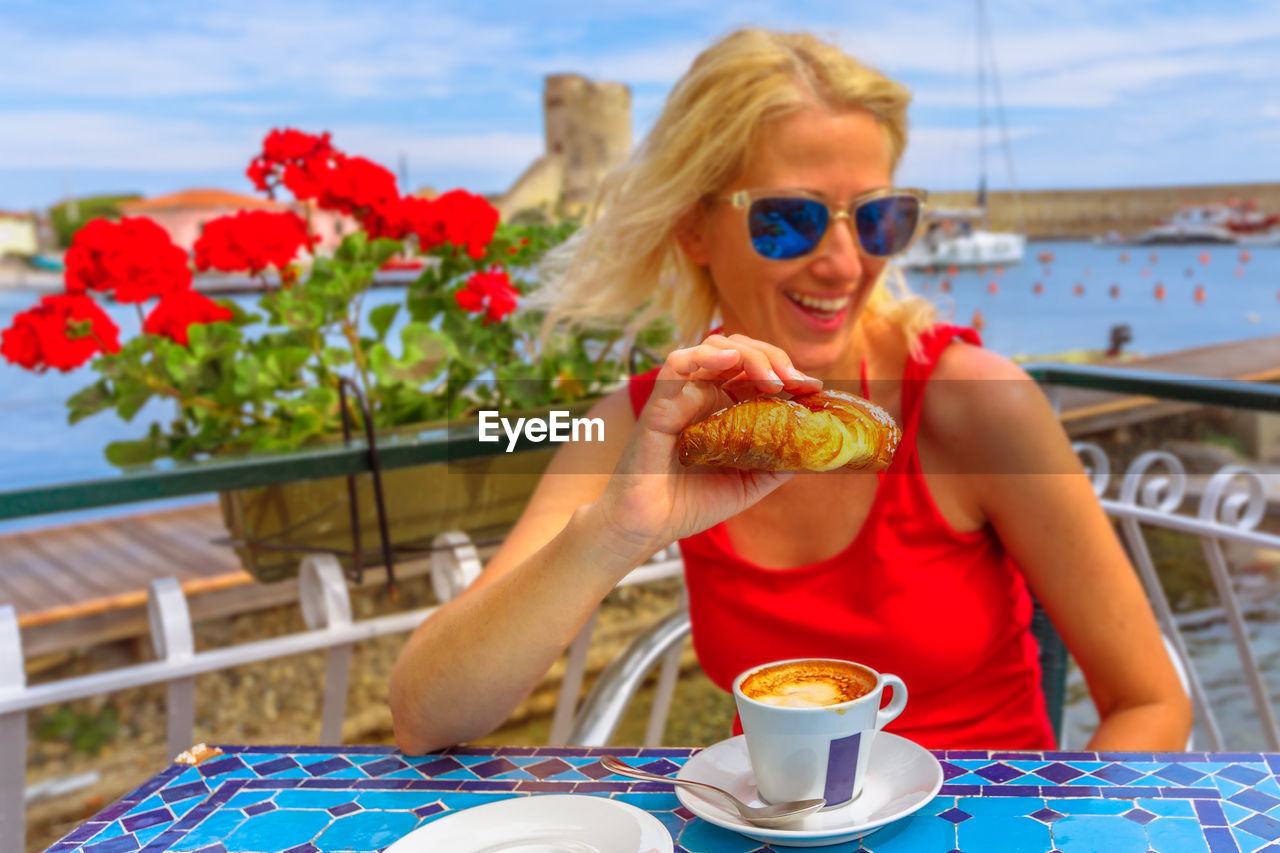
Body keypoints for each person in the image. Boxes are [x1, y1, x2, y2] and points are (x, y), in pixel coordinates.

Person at [389, 29, 1191, 754]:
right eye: (789, 219)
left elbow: (1151, 701)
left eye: (877, 218)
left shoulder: (975, 407)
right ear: (694, 228)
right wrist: (610, 535)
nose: (846, 263)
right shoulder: (649, 425)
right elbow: (428, 714)